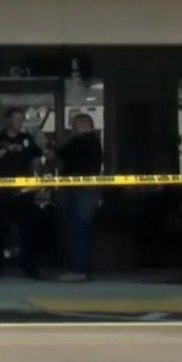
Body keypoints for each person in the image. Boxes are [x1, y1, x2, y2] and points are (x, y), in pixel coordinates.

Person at [0, 107, 44, 279]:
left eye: (21, 119)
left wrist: (37, 180)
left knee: (28, 231)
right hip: (1, 191)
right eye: (16, 119)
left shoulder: (27, 139)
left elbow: (36, 160)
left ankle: (30, 268)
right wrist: (5, 150)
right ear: (7, 120)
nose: (19, 122)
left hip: (23, 192)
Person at [56, 113, 103, 282]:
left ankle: (79, 269)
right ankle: (80, 268)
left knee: (77, 229)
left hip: (80, 190)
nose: (72, 129)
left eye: (74, 125)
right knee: (80, 229)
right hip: (84, 190)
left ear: (84, 124)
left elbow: (63, 154)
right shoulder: (93, 142)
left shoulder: (82, 141)